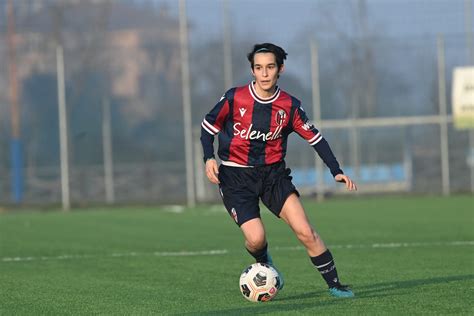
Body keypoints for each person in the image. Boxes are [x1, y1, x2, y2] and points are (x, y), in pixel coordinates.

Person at [200, 43, 357, 298]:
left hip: (273, 176)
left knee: (306, 231)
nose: (264, 74)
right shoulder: (234, 98)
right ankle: (266, 262)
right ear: (252, 70)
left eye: (270, 67)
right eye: (259, 68)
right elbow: (208, 128)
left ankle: (335, 285)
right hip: (235, 177)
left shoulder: (289, 106)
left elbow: (315, 139)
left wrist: (335, 170)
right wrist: (208, 158)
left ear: (280, 69)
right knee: (256, 239)